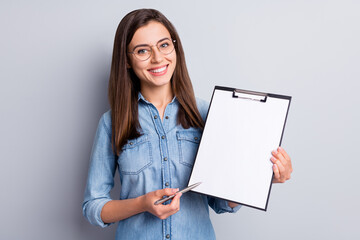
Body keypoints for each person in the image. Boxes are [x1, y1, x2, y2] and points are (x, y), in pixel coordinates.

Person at [82, 8, 293, 240]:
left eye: (163, 45)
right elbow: (94, 206)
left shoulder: (205, 114)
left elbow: (221, 202)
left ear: (175, 47)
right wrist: (142, 203)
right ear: (127, 61)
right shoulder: (111, 122)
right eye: (143, 50)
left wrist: (262, 177)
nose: (157, 58)